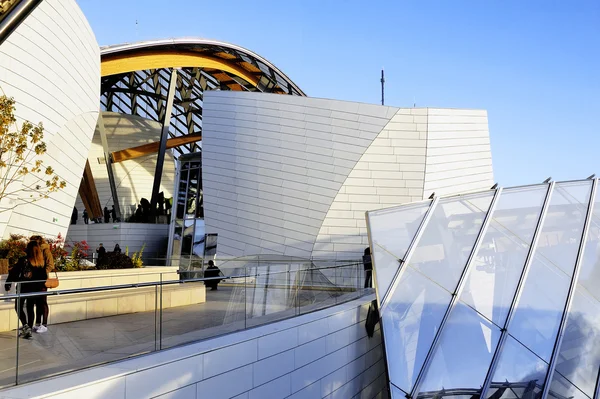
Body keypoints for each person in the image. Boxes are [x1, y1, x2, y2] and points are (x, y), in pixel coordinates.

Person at [24, 240, 48, 335]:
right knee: (40, 305)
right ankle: (37, 324)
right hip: (40, 287)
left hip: (33, 288)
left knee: (32, 306)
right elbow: (44, 276)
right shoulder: (41, 262)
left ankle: (35, 325)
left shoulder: (29, 261)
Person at [30, 236, 54, 332]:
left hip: (42, 280)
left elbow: (51, 265)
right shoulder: (34, 251)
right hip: (35, 280)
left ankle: (44, 324)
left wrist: (42, 273)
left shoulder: (45, 250)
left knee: (43, 301)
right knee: (37, 302)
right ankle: (38, 323)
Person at [5, 258, 30, 338]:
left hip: (21, 289)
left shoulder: (19, 265)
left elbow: (12, 275)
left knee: (18, 307)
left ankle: (26, 326)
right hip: (33, 288)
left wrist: (8, 285)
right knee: (29, 308)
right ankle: (27, 327)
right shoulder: (32, 264)